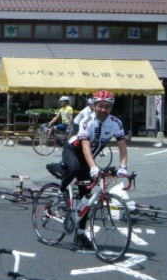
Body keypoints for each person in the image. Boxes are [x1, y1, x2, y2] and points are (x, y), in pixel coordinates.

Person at [54, 90, 128, 249]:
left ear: (111, 107)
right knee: (74, 168)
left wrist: (123, 167)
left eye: (107, 106)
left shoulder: (116, 123)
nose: (103, 109)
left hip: (89, 158)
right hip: (73, 151)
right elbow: (86, 147)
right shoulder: (86, 121)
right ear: (94, 106)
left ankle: (80, 235)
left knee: (86, 198)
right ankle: (60, 192)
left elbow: (122, 145)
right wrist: (93, 167)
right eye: (100, 105)